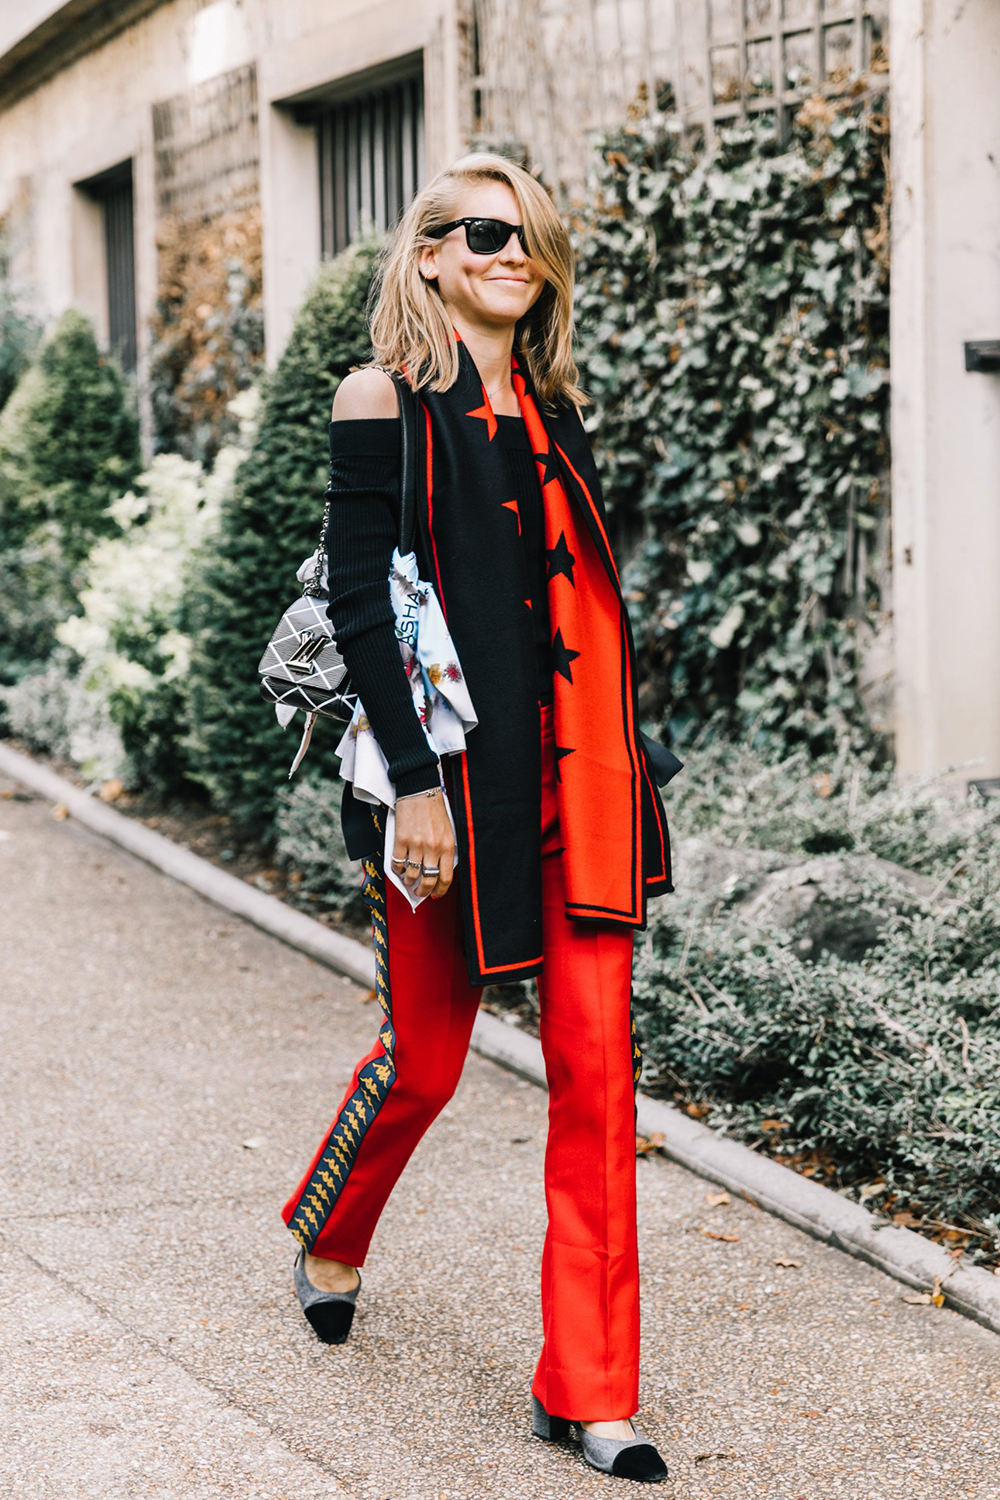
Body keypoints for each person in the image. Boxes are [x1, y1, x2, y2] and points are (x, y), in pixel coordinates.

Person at [281, 151, 674, 1484]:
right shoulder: (379, 399)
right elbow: (358, 600)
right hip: (444, 789)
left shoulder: (558, 413)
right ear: (432, 254)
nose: (515, 253)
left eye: (533, 237)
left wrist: (628, 749)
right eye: (486, 232)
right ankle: (333, 1224)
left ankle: (592, 1392)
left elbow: (575, 599)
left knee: (598, 1079)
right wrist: (412, 783)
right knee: (430, 1063)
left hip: (579, 788)